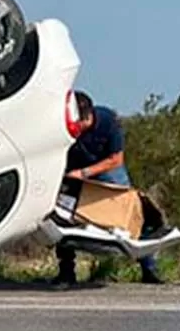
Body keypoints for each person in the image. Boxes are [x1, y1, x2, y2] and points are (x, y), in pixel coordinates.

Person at [54, 90, 162, 285]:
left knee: (130, 210)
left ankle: (149, 268)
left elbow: (116, 159)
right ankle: (66, 271)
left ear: (87, 115)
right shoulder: (62, 124)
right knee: (60, 216)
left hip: (104, 168)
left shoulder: (108, 121)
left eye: (78, 122)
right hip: (72, 171)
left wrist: (85, 173)